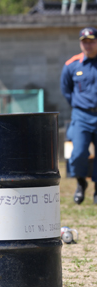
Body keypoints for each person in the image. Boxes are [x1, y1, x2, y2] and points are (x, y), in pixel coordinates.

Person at [61, 27, 97, 204]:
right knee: (78, 153)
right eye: (84, 42)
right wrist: (79, 107)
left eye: (91, 41)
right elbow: (66, 90)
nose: (88, 45)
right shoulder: (72, 65)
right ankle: (81, 182)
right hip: (82, 115)